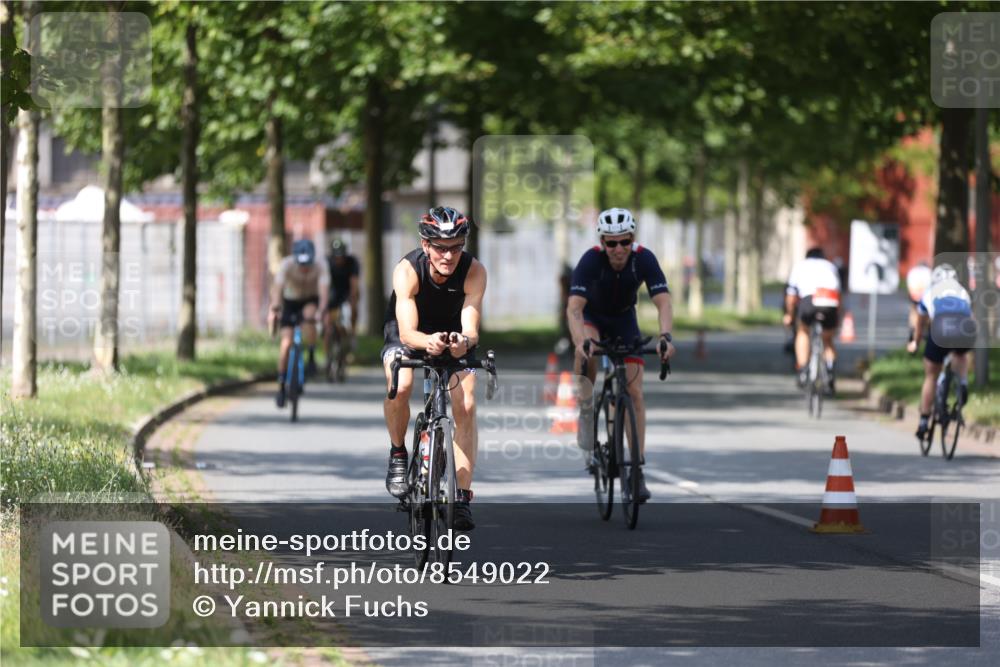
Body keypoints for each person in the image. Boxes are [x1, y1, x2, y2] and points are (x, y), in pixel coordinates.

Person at [381, 206, 487, 531]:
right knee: (400, 385)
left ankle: (462, 496)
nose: (448, 255)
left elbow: (471, 329)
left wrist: (462, 343)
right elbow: (407, 331)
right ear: (425, 245)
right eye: (440, 247)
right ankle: (399, 454)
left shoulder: (474, 271)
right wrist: (427, 341)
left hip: (452, 335)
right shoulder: (407, 270)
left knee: (466, 404)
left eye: (456, 246)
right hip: (409, 333)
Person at [566, 207, 676, 503]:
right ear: (602, 242)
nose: (618, 249)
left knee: (634, 392)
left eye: (624, 242)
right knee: (587, 352)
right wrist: (580, 341)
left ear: (633, 240)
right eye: (611, 243)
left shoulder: (644, 259)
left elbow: (663, 303)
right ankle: (586, 407)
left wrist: (666, 336)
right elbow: (574, 307)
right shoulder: (591, 260)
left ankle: (636, 469)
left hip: (624, 320)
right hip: (592, 318)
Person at [907, 263, 977, 439]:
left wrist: (915, 341)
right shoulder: (963, 291)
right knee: (960, 354)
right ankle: (962, 384)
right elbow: (971, 317)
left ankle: (924, 421)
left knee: (931, 375)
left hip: (940, 328)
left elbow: (920, 322)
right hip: (964, 328)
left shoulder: (930, 292)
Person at [268, 239, 330, 407]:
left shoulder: (320, 265)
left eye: (307, 264)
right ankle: (281, 386)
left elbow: (324, 294)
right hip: (290, 302)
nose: (304, 269)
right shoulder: (286, 264)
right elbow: (277, 288)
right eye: (301, 265)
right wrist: (275, 308)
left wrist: (321, 311)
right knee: (286, 343)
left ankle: (310, 355)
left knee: (310, 315)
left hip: (310, 300)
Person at [783, 247, 842, 393]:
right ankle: (829, 373)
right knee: (828, 340)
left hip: (808, 300)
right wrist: (837, 317)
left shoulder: (800, 266)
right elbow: (839, 295)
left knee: (802, 331)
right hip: (829, 300)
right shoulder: (830, 266)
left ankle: (803, 370)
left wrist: (789, 315)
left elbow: (791, 296)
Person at [323, 238, 360, 381]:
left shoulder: (352, 262)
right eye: (337, 256)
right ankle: (328, 356)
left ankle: (351, 334)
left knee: (352, 310)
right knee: (327, 326)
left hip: (346, 295)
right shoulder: (327, 262)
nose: (339, 259)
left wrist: (353, 300)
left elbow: (354, 284)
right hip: (331, 295)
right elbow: (324, 283)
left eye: (341, 256)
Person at [905, 261, 932, 344]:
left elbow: (909, 285)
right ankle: (925, 329)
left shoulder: (913, 272)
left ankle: (913, 327)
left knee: (914, 310)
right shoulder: (929, 272)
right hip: (925, 295)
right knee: (927, 313)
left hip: (914, 294)